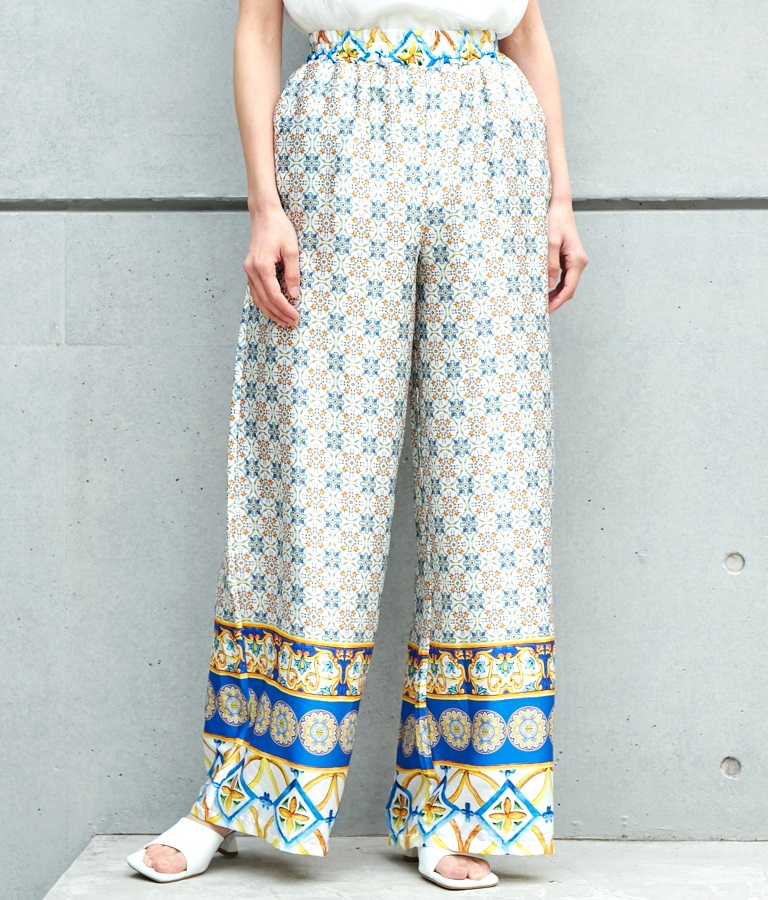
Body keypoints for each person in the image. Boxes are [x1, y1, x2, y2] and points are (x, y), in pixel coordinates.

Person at [127, 0, 588, 890]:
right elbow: (259, 26)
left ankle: (464, 802)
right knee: (314, 469)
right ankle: (241, 791)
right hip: (339, 126)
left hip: (493, 134)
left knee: (490, 477)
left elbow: (526, 28)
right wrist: (265, 203)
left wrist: (560, 196)